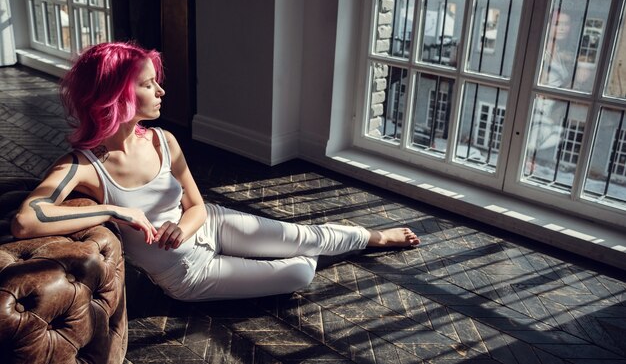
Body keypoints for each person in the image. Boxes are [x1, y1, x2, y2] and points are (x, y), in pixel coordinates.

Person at [11, 42, 420, 301]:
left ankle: (371, 236)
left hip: (210, 226)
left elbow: (198, 206)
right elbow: (27, 219)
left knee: (306, 237)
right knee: (299, 269)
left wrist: (186, 227)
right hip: (186, 273)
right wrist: (115, 211)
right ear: (117, 96)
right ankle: (314, 247)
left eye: (157, 83)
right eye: (149, 85)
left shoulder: (162, 141)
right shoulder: (84, 165)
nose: (161, 92)